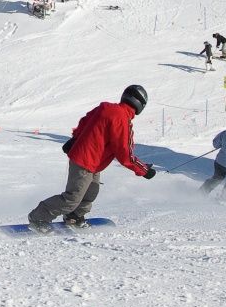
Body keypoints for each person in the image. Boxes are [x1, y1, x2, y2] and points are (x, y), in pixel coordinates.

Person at [28, 84, 154, 231]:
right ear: (140, 104)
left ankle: (73, 217)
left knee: (90, 193)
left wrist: (75, 139)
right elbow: (124, 152)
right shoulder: (122, 119)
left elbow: (86, 121)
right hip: (85, 161)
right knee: (72, 198)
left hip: (93, 162)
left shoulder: (106, 108)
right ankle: (38, 218)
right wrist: (144, 170)